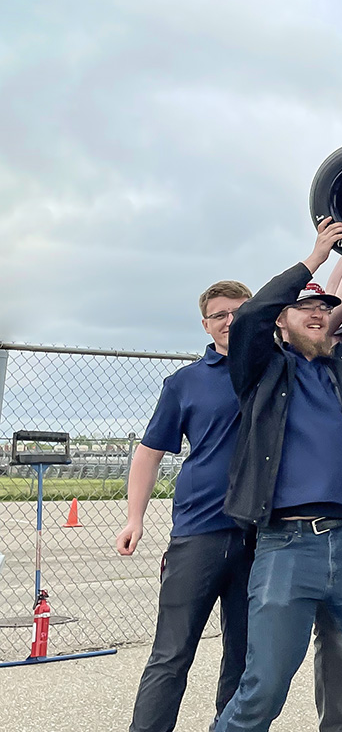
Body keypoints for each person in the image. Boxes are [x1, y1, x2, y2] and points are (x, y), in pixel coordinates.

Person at [215, 219, 342, 732]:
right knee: (263, 689)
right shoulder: (259, 371)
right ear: (284, 321)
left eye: (325, 309)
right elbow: (251, 315)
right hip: (286, 546)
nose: (320, 316)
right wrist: (316, 258)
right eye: (308, 308)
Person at [118, 280, 255, 732]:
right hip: (198, 535)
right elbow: (149, 452)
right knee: (171, 655)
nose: (230, 321)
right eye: (220, 315)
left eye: (240, 311)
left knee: (245, 654)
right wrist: (134, 518)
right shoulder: (184, 383)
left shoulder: (271, 368)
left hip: (259, 538)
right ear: (206, 324)